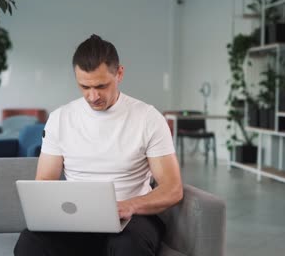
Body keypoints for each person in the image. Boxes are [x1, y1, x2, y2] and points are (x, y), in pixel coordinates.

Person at [14, 34, 183, 256]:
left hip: (133, 218)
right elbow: (45, 180)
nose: (93, 96)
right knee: (29, 243)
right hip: (77, 222)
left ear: (119, 73)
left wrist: (128, 206)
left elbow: (172, 189)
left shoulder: (148, 118)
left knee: (128, 247)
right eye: (84, 86)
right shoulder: (59, 118)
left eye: (101, 86)